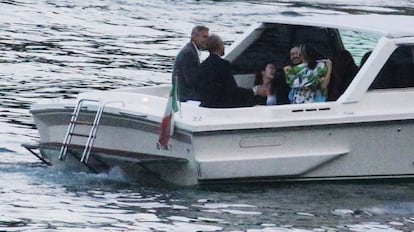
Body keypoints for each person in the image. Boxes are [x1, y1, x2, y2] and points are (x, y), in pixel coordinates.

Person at [197, 34, 266, 108]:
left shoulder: (202, 65)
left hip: (206, 104)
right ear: (219, 46)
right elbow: (232, 91)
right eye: (223, 44)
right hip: (221, 105)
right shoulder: (223, 64)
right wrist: (254, 91)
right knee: (257, 101)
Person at [172, 25, 209, 102]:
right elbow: (192, 81)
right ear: (194, 37)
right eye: (204, 37)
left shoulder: (190, 50)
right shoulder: (189, 54)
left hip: (183, 93)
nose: (207, 40)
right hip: (186, 96)